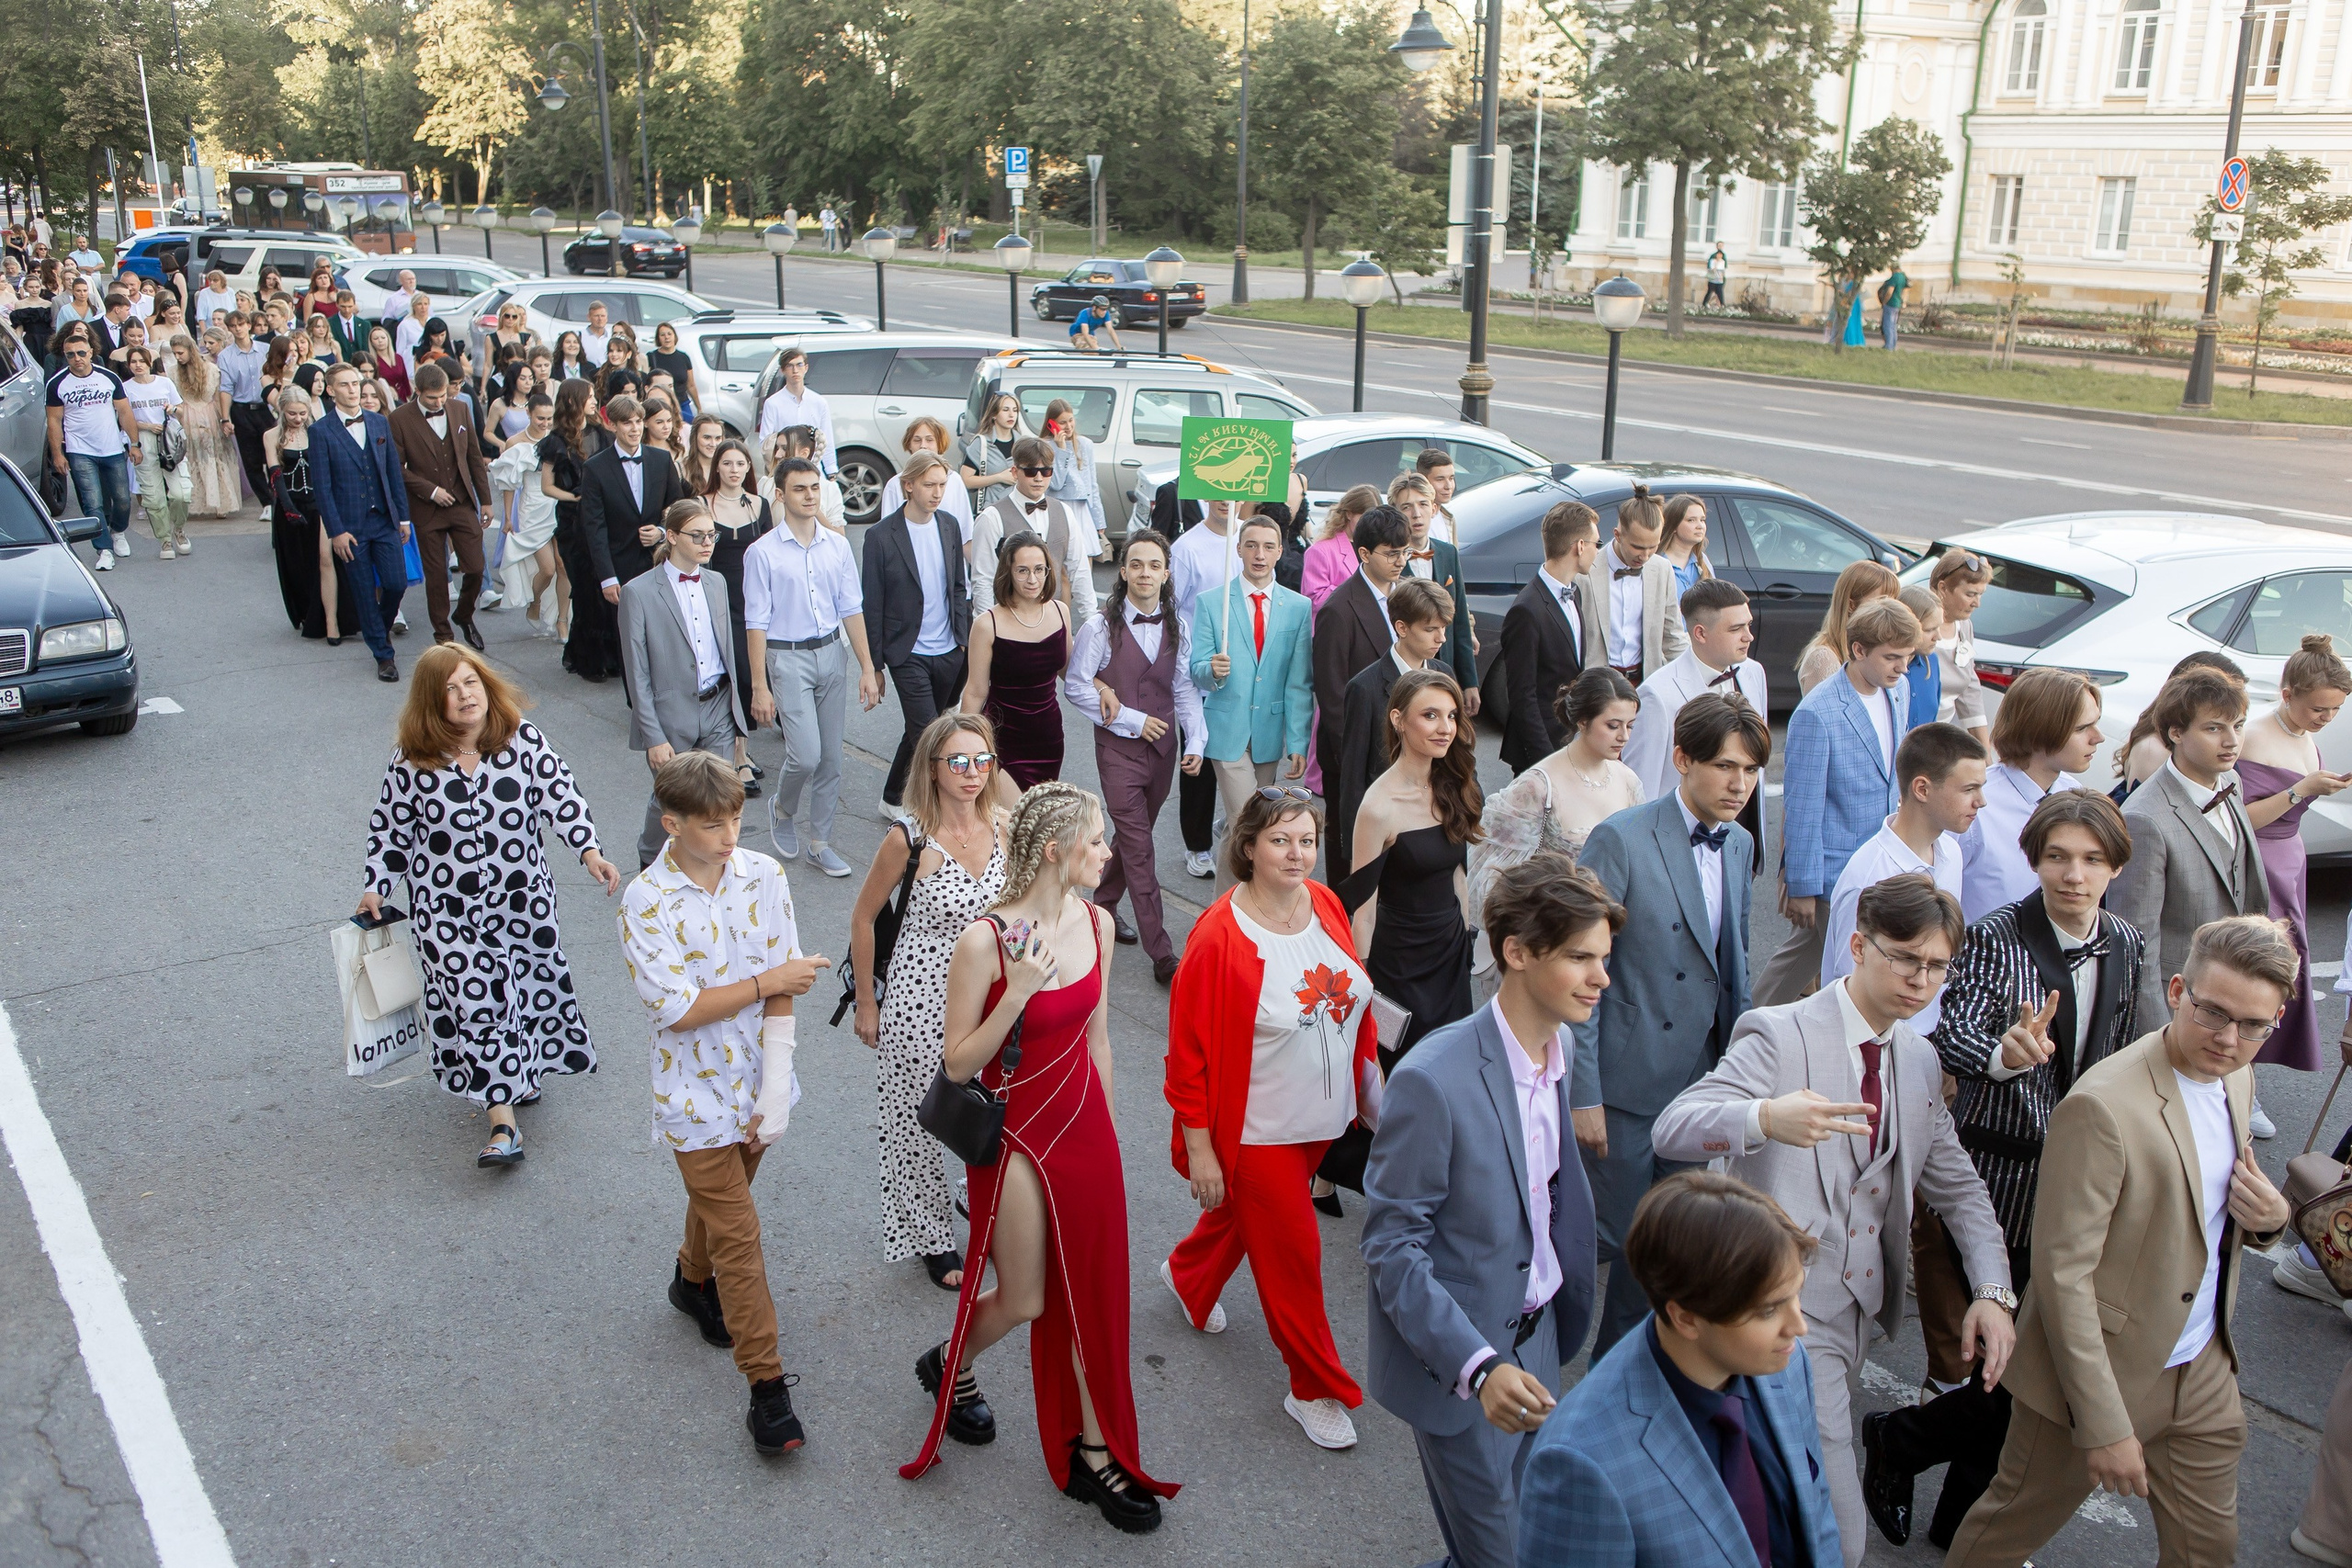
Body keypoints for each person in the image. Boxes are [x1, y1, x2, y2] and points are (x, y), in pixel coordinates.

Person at [1655, 874, 2017, 1568]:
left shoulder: (1916, 1056)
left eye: (1937, 965)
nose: (1921, 979)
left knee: (1762, 1496)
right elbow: (1675, 1126)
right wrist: (1763, 1117)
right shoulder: (1779, 1033)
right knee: (1841, 1536)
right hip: (1781, 1311)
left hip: (1858, 1314)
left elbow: (1962, 1189)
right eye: (1905, 957)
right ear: (1857, 945)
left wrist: (1994, 1293)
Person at [1943, 915, 2299, 1568]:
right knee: (2004, 1534)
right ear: (2175, 989)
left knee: (2206, 1551)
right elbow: (2062, 1275)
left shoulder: (2238, 1077)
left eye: (2255, 1025)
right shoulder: (2103, 1105)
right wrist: (2103, 1422)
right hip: (2093, 1378)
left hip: (2202, 1368)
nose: (2229, 1038)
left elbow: (2216, 1207)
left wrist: (2272, 1217)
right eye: (2213, 1012)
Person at [1867, 788, 2146, 1551]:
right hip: (1997, 1179)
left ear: (2115, 867)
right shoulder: (1996, 935)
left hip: (2079, 1185)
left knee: (2020, 1366)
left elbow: (2122, 1056)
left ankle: (1935, 1488)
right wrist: (2001, 1053)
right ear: (2034, 859)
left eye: (2091, 859)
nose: (2073, 873)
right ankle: (1906, 1450)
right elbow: (1951, 1033)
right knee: (2007, 1365)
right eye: (2056, 855)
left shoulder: (2126, 941)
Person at [901, 784, 1179, 1532]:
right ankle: (949, 1363)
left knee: (1093, 1292)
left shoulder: (1097, 920)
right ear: (1056, 849)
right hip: (1018, 1134)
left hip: (1085, 1126)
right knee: (1028, 1298)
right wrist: (1016, 993)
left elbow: (1099, 1042)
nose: (1108, 853)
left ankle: (1095, 1451)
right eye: (1097, 841)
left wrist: (1112, 1134)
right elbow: (959, 1064)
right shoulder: (985, 941)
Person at [1361, 853, 1616, 1568]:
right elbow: (1391, 1248)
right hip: (1464, 1365)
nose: (1601, 976)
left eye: (1603, 957)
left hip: (1539, 1339)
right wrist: (1478, 1367)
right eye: (1580, 957)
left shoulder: (1557, 1044)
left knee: (1525, 1534)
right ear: (1516, 951)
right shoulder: (1432, 1082)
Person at [619, 750, 825, 1457]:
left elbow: (785, 988)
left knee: (724, 1203)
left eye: (736, 817)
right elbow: (677, 1009)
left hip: (759, 1083)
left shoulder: (763, 875)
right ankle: (767, 1388)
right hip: (693, 1095)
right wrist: (774, 975)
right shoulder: (645, 901)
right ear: (672, 824)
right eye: (712, 825)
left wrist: (776, 1086)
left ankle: (688, 1277)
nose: (730, 834)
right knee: (742, 1235)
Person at [1162, 788, 1375, 1450]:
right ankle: (1312, 1386)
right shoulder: (1219, 936)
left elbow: (1355, 1000)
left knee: (1249, 1216)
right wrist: (1202, 1149)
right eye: (1281, 840)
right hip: (1257, 1132)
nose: (1297, 853)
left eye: (1307, 839)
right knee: (1294, 1252)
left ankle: (1188, 1272)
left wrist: (1370, 1087)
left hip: (1323, 1115)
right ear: (1248, 845)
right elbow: (1187, 1055)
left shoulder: (1327, 902)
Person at [361, 645, 618, 1163]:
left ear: (485, 685)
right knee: (476, 1004)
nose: (464, 696)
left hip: (521, 902)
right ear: (433, 703)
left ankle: (517, 1073)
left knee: (522, 991)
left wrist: (589, 850)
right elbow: (390, 829)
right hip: (445, 914)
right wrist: (377, 884)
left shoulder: (521, 740)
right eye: (450, 690)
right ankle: (503, 1125)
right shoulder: (413, 759)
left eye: (470, 683)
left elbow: (560, 795)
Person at [1516, 1171, 1843, 1568]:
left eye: (1796, 1294)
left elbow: (1815, 1515)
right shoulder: (1581, 1462)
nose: (1799, 1327)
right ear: (1686, 1318)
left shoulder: (1787, 1364)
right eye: (1768, 1310)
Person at [1569, 693, 1765, 1354]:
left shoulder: (1738, 842)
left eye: (1751, 770)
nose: (1740, 784)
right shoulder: (1621, 838)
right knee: (1614, 1242)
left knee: (1671, 1249)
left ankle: (1633, 1381)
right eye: (1725, 766)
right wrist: (1584, 1091)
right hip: (1624, 1083)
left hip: (1700, 1077)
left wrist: (1739, 1074)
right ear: (1681, 759)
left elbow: (1733, 961)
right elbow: (1578, 973)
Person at [851, 715, 1009, 1293]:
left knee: (989, 1109)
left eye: (982, 761)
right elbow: (864, 917)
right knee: (920, 1120)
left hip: (989, 994)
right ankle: (930, 1238)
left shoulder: (1005, 828)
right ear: (933, 770)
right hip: (919, 996)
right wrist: (869, 1002)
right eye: (958, 763)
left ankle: (986, 1212)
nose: (972, 774)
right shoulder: (909, 838)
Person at [1757, 595, 1921, 1006]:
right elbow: (1803, 805)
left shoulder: (1897, 692)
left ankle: (1747, 1025)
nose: (1903, 667)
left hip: (1879, 859)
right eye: (1892, 657)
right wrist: (1804, 886)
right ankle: (1752, 1031)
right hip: (1836, 868)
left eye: (1909, 656)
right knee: (1844, 972)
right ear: (1858, 650)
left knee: (1804, 957)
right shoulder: (1818, 712)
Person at [1064, 529, 1205, 986]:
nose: (1146, 573)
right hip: (1119, 753)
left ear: (1166, 574)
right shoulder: (1099, 626)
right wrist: (1128, 718)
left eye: (1155, 566)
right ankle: (1161, 952)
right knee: (1141, 846)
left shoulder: (1177, 625)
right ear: (1123, 571)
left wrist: (1197, 741)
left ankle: (1101, 905)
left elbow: (1182, 688)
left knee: (1132, 836)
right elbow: (1077, 686)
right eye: (1137, 564)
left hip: (1163, 753)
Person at [744, 457, 881, 878]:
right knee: (805, 755)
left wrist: (867, 666)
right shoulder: (762, 552)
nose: (809, 496)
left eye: (814, 488)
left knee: (831, 760)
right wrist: (759, 687)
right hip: (787, 659)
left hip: (831, 654)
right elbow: (756, 621)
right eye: (800, 489)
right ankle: (783, 807)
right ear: (781, 495)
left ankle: (820, 843)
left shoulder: (837, 546)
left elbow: (851, 609)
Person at [2233, 633, 2352, 1096]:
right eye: (2318, 709)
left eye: (2335, 710)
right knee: (2254, 965)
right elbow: (2239, 818)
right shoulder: (2252, 735)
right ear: (2287, 694)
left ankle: (2251, 1079)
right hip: (2259, 860)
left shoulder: (2303, 736)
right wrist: (2304, 789)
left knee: (2282, 970)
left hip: (2292, 859)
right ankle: (2237, 1078)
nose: (2325, 719)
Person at [1819, 722, 1987, 1032]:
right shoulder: (1869, 876)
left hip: (1929, 1040)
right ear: (1922, 789)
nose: (1981, 801)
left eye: (1981, 787)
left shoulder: (1952, 852)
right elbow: (1847, 984)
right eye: (1968, 789)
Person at [618, 500, 750, 867]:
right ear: (672, 537)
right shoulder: (638, 592)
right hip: (670, 712)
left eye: (712, 535)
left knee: (718, 796)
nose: (707, 543)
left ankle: (711, 870)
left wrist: (736, 711)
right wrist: (653, 737)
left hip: (717, 704)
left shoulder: (717, 581)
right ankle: (649, 859)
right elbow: (637, 673)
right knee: (672, 798)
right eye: (698, 536)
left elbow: (724, 647)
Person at [1188, 512, 1314, 891]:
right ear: (1239, 550)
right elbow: (1195, 668)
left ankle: (1239, 901)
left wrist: (1297, 742)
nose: (1260, 554)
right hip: (1227, 730)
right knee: (1249, 820)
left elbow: (1299, 682)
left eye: (1269, 546)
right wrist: (1212, 668)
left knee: (1243, 822)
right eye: (1252, 545)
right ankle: (1231, 905)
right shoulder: (1213, 602)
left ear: (1280, 552)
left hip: (1269, 733)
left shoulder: (1298, 607)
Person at [1957, 666, 2105, 928]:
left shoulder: (2073, 794)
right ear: (2040, 731)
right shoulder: (1976, 806)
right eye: (2083, 728)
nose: (2098, 738)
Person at [1622, 579, 1770, 841]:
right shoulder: (1657, 694)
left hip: (1741, 840)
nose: (1749, 636)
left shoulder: (1754, 672)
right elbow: (1640, 791)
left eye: (1749, 625)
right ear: (1700, 633)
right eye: (1736, 629)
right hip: (1683, 841)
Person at [866, 452, 974, 814]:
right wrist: (874, 666)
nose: (937, 492)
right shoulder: (880, 536)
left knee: (922, 725)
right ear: (907, 485)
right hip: (906, 652)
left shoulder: (949, 525)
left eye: (942, 485)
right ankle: (934, 809)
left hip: (950, 651)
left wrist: (963, 640)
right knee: (930, 733)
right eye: (929, 484)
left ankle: (891, 798)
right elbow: (873, 602)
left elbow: (959, 586)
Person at [1328, 579, 1455, 882]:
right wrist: (1356, 846)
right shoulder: (1365, 687)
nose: (1441, 638)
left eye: (1444, 628)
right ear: (1401, 627)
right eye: (1430, 629)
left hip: (1440, 814)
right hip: (1390, 826)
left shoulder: (1444, 673)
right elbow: (1354, 773)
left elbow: (1458, 749)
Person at [311, 362, 416, 681]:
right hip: (350, 527)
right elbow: (322, 487)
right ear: (331, 391)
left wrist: (404, 518)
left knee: (396, 584)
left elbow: (393, 474)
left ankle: (377, 630)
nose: (353, 389)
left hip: (384, 520)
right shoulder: (320, 431)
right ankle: (384, 656)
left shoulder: (378, 422)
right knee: (362, 590)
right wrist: (336, 531)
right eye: (344, 385)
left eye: (355, 383)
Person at [1310, 505, 1412, 832]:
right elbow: (1332, 696)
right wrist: (1355, 759)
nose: (1401, 561)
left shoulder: (1408, 595)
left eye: (1405, 552)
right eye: (1392, 553)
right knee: (1353, 851)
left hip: (1405, 745)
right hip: (1356, 755)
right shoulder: (1338, 610)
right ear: (1364, 553)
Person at [389, 361, 492, 649]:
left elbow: (474, 455)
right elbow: (395, 468)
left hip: (461, 501)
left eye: (443, 395)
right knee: (436, 577)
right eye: (432, 397)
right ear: (418, 392)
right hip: (426, 508)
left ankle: (464, 615)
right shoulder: (399, 418)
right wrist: (431, 491)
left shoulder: (459, 408)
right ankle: (443, 636)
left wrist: (485, 500)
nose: (439, 402)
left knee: (475, 566)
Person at [1165, 498, 1241, 879]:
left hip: (1244, 673)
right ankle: (1197, 845)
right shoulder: (1186, 548)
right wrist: (1186, 668)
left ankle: (1227, 824)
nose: (1226, 502)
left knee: (1238, 754)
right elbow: (1173, 611)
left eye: (1234, 495)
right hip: (1199, 671)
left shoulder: (1249, 540)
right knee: (1199, 759)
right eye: (1218, 494)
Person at [1498, 500, 1601, 775]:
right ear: (1580, 546)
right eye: (1596, 544)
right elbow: (1522, 695)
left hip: (1569, 742)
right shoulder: (1527, 610)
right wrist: (1546, 760)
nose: (1597, 552)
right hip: (1540, 752)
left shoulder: (1574, 592)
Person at [581, 392, 690, 652]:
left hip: (660, 562)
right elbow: (594, 527)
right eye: (627, 423)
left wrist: (662, 533)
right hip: (621, 565)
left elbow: (679, 508)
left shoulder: (661, 460)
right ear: (612, 425)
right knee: (630, 644)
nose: (635, 428)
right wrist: (607, 577)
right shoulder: (595, 468)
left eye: (639, 422)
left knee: (665, 639)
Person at [963, 533, 1071, 790]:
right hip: (1003, 741)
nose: (1033, 579)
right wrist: (964, 745)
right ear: (1008, 572)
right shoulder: (987, 625)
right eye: (1022, 571)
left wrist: (1107, 689)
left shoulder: (1060, 612)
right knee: (1015, 822)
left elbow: (1072, 673)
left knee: (1039, 824)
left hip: (1049, 739)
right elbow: (976, 692)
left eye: (1039, 570)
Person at [697, 437, 772, 791]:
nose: (734, 470)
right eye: (727, 463)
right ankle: (737, 755)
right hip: (717, 599)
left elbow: (772, 555)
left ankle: (741, 750)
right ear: (717, 468)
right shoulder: (702, 503)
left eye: (740, 464)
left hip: (754, 601)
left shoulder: (760, 504)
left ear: (748, 468)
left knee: (750, 674)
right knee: (732, 674)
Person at [969, 435, 1095, 618]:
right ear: (1014, 472)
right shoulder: (992, 517)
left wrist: (1092, 620)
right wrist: (988, 629)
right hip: (1009, 622)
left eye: (1046, 471)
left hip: (1053, 622)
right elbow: (982, 580)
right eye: (1030, 471)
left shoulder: (1064, 512)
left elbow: (1080, 570)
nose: (1038, 478)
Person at [1577, 484, 1688, 686]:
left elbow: (1672, 635)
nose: (1645, 556)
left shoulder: (1662, 569)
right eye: (1637, 546)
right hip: (1598, 686)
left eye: (1653, 547)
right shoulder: (1586, 571)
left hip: (1646, 683)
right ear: (1618, 535)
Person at [540, 380, 613, 680]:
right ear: (574, 401)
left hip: (601, 520)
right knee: (584, 590)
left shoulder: (601, 434)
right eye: (590, 397)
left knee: (604, 589)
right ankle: (587, 659)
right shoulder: (555, 441)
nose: (595, 401)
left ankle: (610, 657)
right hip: (572, 524)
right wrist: (576, 497)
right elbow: (547, 487)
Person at [45, 332, 137, 570]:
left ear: (92, 352)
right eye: (70, 355)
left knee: (122, 500)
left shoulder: (108, 377)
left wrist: (134, 444)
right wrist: (57, 454)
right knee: (92, 502)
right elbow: (54, 421)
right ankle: (103, 549)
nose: (77, 358)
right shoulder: (57, 383)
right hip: (79, 450)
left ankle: (117, 531)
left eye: (81, 353)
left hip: (112, 447)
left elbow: (125, 412)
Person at [1390, 472, 1480, 713]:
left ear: (1434, 508)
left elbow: (1459, 619)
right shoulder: (1389, 559)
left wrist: (1470, 681)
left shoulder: (1447, 553)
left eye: (1422, 504)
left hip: (1443, 666)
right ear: (1395, 512)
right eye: (1406, 507)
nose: (1416, 514)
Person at [266, 387, 350, 641]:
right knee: (298, 563)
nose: (298, 418)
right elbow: (275, 474)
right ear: (282, 411)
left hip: (320, 502)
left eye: (303, 413)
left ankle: (331, 621)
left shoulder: (319, 432)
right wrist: (289, 509)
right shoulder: (272, 436)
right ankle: (307, 612)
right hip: (290, 505)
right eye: (292, 413)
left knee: (326, 558)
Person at [2113, 653, 2247, 801]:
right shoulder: (2153, 751)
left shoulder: (2229, 777)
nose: (2232, 741)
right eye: (2213, 728)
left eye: (2238, 725)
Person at [491, 393, 561, 639]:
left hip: (558, 505)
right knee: (548, 569)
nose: (545, 423)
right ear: (528, 415)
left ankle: (560, 620)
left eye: (549, 418)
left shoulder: (556, 439)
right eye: (540, 418)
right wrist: (508, 517)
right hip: (531, 508)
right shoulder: (514, 442)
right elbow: (509, 483)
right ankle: (535, 601)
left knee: (563, 566)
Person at [120, 344, 190, 560]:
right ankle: (165, 539)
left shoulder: (164, 382)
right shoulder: (125, 388)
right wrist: (144, 428)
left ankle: (179, 529)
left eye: (142, 361)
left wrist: (172, 410)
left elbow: (181, 409)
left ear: (149, 363)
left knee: (181, 493)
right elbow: (123, 418)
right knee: (154, 497)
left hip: (168, 439)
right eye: (133, 362)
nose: (138, 365)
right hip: (144, 440)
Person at [1798, 559, 1900, 694]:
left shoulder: (1874, 649)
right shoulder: (1824, 658)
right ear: (1852, 605)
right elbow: (1823, 713)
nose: (1890, 610)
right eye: (1882, 601)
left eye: (1893, 601)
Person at [169, 332, 238, 519]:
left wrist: (224, 418)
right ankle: (192, 502)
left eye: (180, 353)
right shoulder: (173, 372)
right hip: (186, 414)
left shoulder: (211, 369)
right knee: (190, 457)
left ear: (190, 351)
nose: (178, 357)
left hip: (208, 415)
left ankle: (219, 504)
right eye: (175, 353)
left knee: (212, 455)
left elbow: (217, 397)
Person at [876, 415, 975, 541]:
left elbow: (966, 534)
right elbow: (887, 533)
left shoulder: (954, 480)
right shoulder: (895, 484)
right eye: (917, 440)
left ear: (939, 444)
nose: (923, 446)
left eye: (929, 440)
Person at [1928, 548, 1993, 736]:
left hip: (1939, 734)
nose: (1977, 603)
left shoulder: (1964, 627)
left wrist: (1985, 754)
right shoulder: (1917, 625)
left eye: (1981, 595)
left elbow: (1970, 691)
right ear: (1943, 588)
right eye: (1970, 594)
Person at [216, 310, 273, 509]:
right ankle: (267, 502)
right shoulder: (225, 356)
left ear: (249, 325)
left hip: (266, 407)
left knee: (273, 453)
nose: (238, 329)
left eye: (241, 324)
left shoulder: (266, 349)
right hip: (242, 410)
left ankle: (278, 497)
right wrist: (225, 418)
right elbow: (226, 387)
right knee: (251, 458)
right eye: (233, 326)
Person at [1042, 397, 1108, 561]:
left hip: (1082, 509)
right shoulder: (1045, 445)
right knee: (1062, 566)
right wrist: (1061, 450)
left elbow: (1091, 485)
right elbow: (1055, 483)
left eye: (1071, 420)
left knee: (1086, 561)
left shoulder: (1085, 444)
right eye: (1062, 422)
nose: (1069, 426)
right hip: (1058, 508)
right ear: (1052, 424)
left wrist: (1099, 520)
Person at [1299, 483, 1380, 612]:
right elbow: (1314, 600)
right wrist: (1356, 590)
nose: (1369, 525)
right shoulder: (1320, 551)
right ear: (1349, 514)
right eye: (1364, 518)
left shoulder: (1377, 548)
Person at [754, 345, 835, 474]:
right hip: (784, 470)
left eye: (799, 365)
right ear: (783, 370)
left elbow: (827, 439)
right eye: (789, 366)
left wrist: (831, 470)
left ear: (806, 368)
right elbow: (765, 442)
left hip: (813, 469)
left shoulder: (819, 402)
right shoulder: (772, 403)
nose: (795, 370)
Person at [957, 390, 1023, 518]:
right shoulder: (981, 443)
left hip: (1017, 511)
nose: (1011, 415)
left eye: (1015, 410)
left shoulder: (1022, 443)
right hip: (990, 511)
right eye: (1005, 410)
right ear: (994, 414)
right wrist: (999, 477)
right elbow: (966, 480)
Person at [1899, 584, 1945, 730]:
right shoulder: (1880, 668)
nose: (1938, 637)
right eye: (1930, 630)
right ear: (1906, 627)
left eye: (1939, 628)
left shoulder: (1932, 662)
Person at [1657, 492, 1713, 597]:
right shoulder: (1657, 562)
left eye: (1702, 520)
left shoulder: (1703, 561)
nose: (1700, 526)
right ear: (1673, 526)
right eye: (1691, 520)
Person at [1879, 265, 1908, 350]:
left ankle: (1889, 346)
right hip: (1897, 303)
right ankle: (1893, 344)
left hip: (1891, 303)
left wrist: (1884, 302)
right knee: (1893, 325)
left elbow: (1889, 291)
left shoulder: (1894, 277)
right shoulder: (1903, 276)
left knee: (1887, 325)